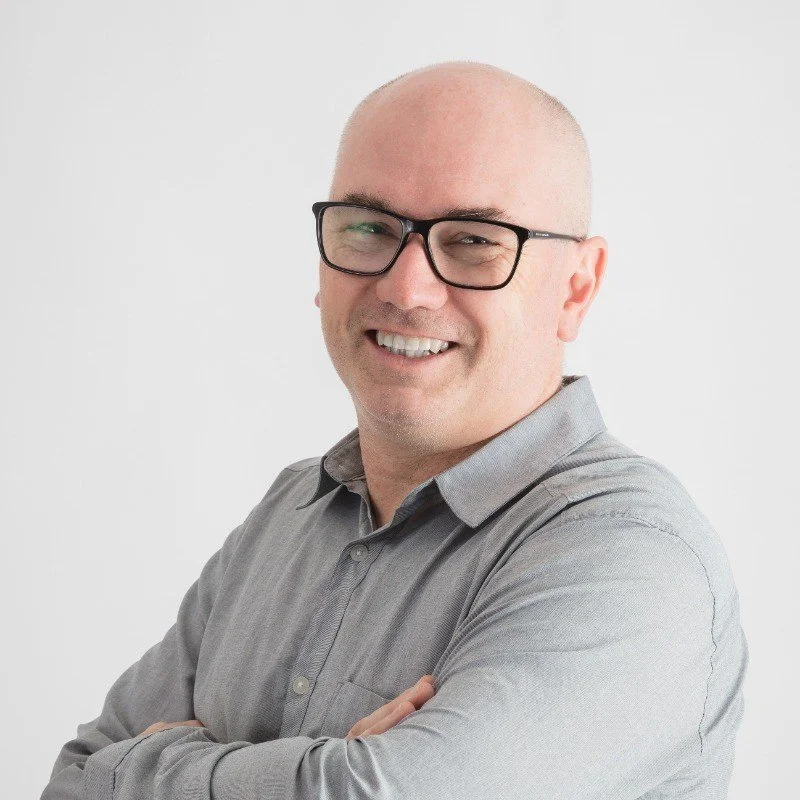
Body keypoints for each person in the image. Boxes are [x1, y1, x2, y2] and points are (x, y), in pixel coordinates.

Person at [41, 60, 748, 800]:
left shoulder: (631, 555)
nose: (407, 288)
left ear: (577, 287)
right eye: (369, 227)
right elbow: (69, 779)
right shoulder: (289, 515)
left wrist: (140, 772)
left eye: (475, 241)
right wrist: (328, 773)